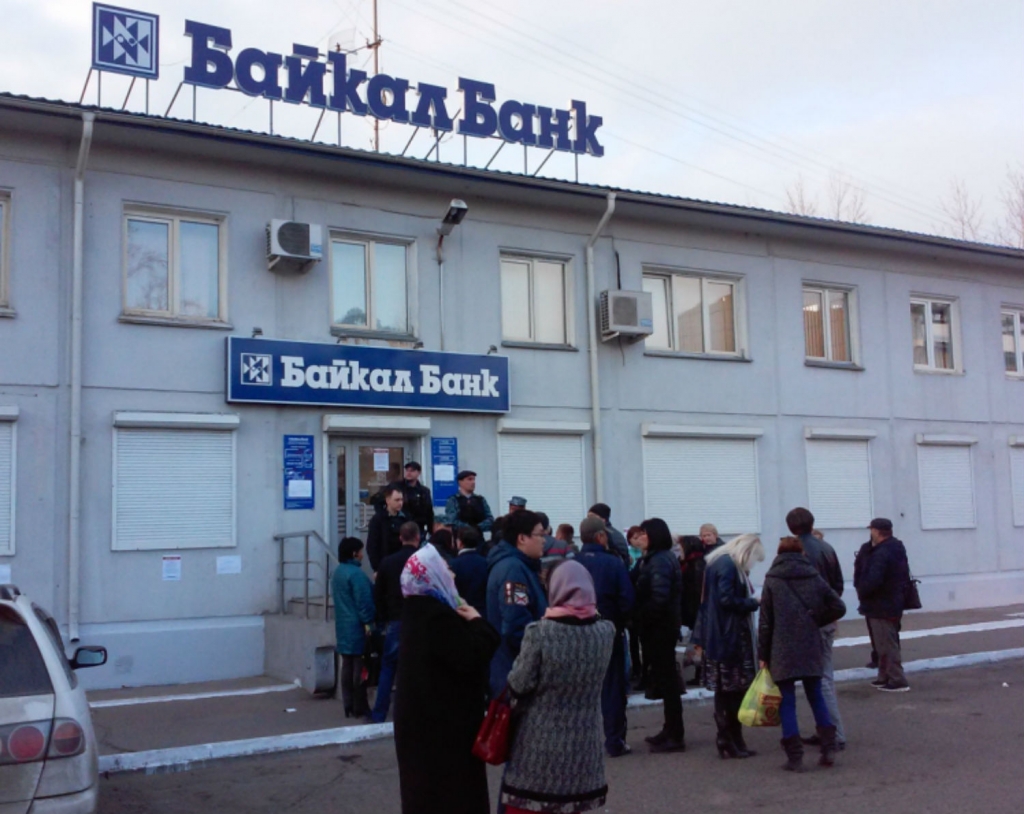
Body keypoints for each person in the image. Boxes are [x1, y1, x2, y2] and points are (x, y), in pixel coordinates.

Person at [500, 560, 615, 814]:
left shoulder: (540, 632)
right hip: (585, 744)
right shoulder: (606, 631)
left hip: (540, 745)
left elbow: (519, 684)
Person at [393, 545, 500, 814]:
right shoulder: (436, 616)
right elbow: (473, 654)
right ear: (431, 575)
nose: (452, 574)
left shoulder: (417, 608)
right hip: (444, 732)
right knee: (452, 796)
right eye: (445, 568)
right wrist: (478, 622)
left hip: (424, 728)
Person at [758, 536, 847, 771]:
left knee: (786, 701)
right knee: (816, 695)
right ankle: (828, 748)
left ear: (779, 553)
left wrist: (763, 653)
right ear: (802, 553)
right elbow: (839, 606)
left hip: (781, 647)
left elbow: (765, 621)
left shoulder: (773, 579)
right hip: (810, 643)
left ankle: (795, 756)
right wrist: (817, 619)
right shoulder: (813, 576)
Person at [692, 534, 764, 759]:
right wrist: (753, 602)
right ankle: (730, 738)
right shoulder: (729, 566)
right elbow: (726, 600)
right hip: (729, 636)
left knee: (726, 691)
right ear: (747, 552)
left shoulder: (718, 562)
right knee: (733, 690)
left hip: (721, 635)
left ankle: (729, 738)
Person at [785, 507, 847, 751]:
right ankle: (826, 729)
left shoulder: (798, 552)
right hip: (825, 619)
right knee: (821, 677)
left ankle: (834, 733)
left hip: (810, 622)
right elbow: (838, 585)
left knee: (820, 679)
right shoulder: (826, 548)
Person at [576, 516, 636, 757]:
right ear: (601, 536)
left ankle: (580, 743)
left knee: (579, 688)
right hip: (608, 630)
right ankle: (614, 741)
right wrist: (622, 622)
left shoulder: (572, 563)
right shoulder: (613, 563)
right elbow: (627, 599)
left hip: (576, 633)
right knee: (612, 688)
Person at [633, 518, 685, 752]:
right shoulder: (654, 558)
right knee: (665, 680)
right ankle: (670, 728)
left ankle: (675, 734)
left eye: (644, 533)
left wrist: (641, 617)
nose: (640, 537)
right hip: (659, 626)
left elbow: (659, 598)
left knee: (668, 681)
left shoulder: (660, 561)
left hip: (660, 628)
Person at [485, 509, 548, 697]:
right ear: (522, 538)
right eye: (540, 534)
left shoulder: (520, 566)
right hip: (515, 674)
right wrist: (538, 659)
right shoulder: (513, 571)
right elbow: (515, 624)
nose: (544, 540)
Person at [854, 518, 912, 693]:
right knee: (883, 643)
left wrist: (862, 590)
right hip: (892, 602)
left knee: (886, 643)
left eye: (871, 529)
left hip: (881, 604)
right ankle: (884, 676)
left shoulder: (882, 552)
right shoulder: (895, 547)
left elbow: (874, 579)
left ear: (876, 531)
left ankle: (897, 679)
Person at [370, 521, 421, 723]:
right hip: (418, 620)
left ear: (400, 538)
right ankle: (414, 714)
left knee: (388, 667)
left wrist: (382, 618)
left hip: (395, 620)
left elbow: (378, 594)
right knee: (417, 668)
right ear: (418, 537)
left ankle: (379, 714)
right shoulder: (422, 561)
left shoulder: (388, 562)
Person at [331, 536, 375, 718]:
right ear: (354, 553)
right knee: (360, 667)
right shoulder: (357, 575)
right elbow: (364, 603)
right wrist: (369, 623)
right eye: (361, 551)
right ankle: (360, 705)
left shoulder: (338, 573)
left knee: (346, 665)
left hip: (343, 626)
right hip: (357, 627)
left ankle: (347, 704)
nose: (362, 555)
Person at [372, 462, 434, 539]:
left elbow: (429, 511)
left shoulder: (424, 491)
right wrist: (385, 516)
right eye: (407, 470)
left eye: (412, 471)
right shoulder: (396, 487)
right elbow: (378, 500)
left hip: (418, 527)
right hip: (399, 527)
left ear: (418, 473)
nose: (409, 473)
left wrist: (431, 530)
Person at [367, 486, 407, 572]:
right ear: (388, 500)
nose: (400, 503)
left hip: (403, 564)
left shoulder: (405, 518)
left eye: (401, 500)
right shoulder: (378, 520)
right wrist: (377, 568)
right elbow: (372, 546)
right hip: (385, 564)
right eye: (397, 500)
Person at [442, 470, 494, 537]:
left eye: (474, 479)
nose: (473, 482)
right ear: (460, 482)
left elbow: (490, 519)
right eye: (469, 479)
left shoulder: (480, 499)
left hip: (478, 538)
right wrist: (468, 529)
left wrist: (477, 527)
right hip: (460, 538)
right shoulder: (453, 500)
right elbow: (452, 521)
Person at [450, 526, 488, 615]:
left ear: (459, 543)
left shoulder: (453, 565)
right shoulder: (485, 562)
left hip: (461, 612)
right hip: (482, 612)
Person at [625, 525, 646, 690]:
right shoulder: (628, 555)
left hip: (643, 603)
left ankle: (645, 669)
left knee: (644, 639)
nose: (638, 540)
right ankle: (637, 668)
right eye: (635, 538)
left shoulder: (647, 555)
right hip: (633, 601)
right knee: (633, 639)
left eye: (640, 536)